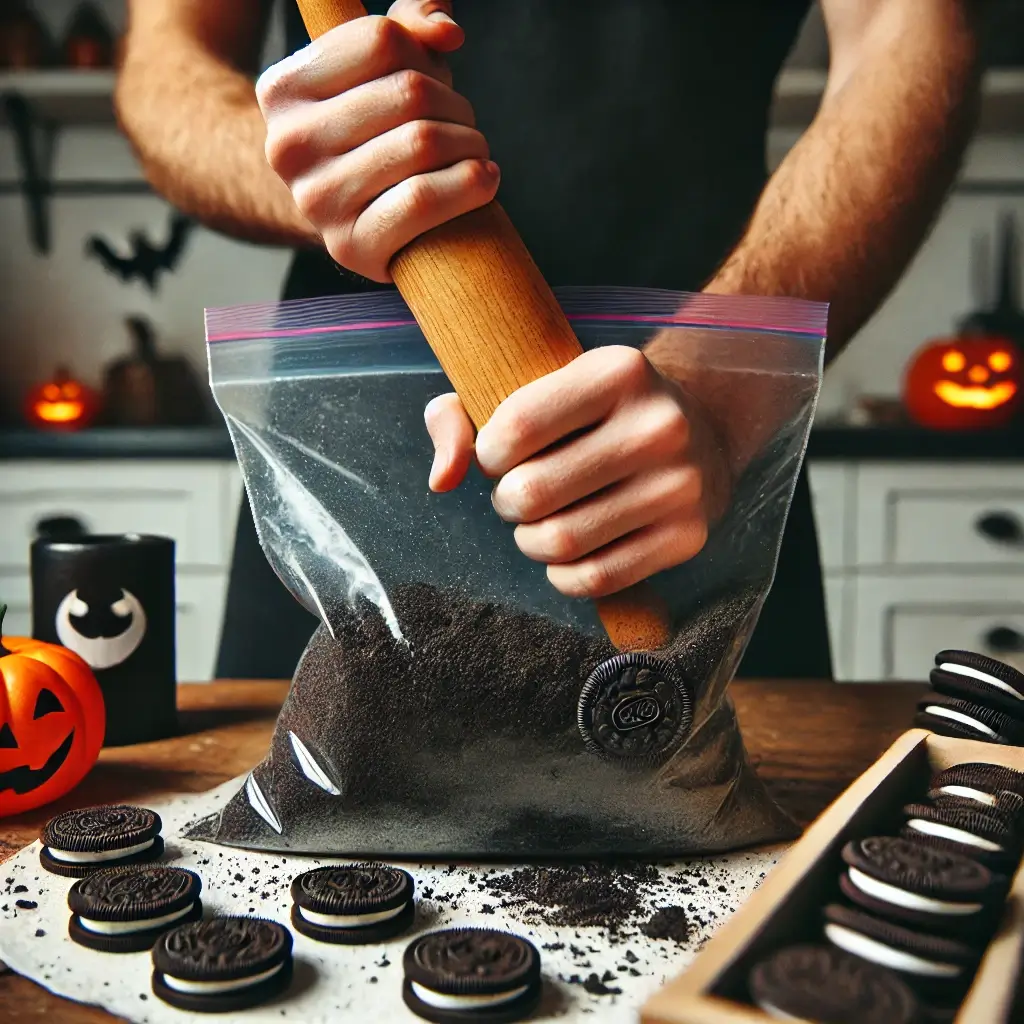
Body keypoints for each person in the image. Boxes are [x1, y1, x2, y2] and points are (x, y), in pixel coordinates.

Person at [116, 0, 982, 680]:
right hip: (341, 469)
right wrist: (319, 171)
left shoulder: (715, 417)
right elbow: (167, 67)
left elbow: (905, 34)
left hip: (701, 465)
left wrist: (719, 396)